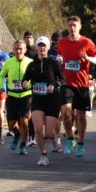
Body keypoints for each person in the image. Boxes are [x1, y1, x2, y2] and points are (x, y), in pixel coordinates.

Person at [56, 16, 96, 157]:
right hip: (67, 83)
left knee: (81, 117)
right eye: (70, 25)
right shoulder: (62, 42)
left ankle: (81, 143)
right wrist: (59, 59)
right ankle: (70, 139)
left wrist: (88, 58)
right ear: (67, 26)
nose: (72, 28)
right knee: (66, 112)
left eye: (75, 25)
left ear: (79, 26)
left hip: (82, 85)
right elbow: (59, 56)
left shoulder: (86, 42)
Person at [26, 36, 64, 165]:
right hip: (37, 99)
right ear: (36, 47)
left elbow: (63, 79)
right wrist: (25, 83)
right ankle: (43, 155)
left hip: (52, 100)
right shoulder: (31, 65)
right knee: (37, 129)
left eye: (44, 45)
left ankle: (54, 137)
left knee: (47, 133)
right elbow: (25, 79)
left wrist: (55, 85)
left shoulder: (54, 63)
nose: (42, 48)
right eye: (39, 45)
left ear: (48, 47)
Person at [0, 40, 33, 155]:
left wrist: (30, 82)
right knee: (11, 124)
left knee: (24, 121)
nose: (18, 51)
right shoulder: (8, 62)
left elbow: (36, 76)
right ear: (13, 49)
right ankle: (17, 134)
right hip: (12, 95)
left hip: (26, 95)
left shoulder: (30, 62)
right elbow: (1, 75)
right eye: (16, 48)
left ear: (25, 50)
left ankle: (23, 145)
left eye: (21, 48)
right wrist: (2, 86)